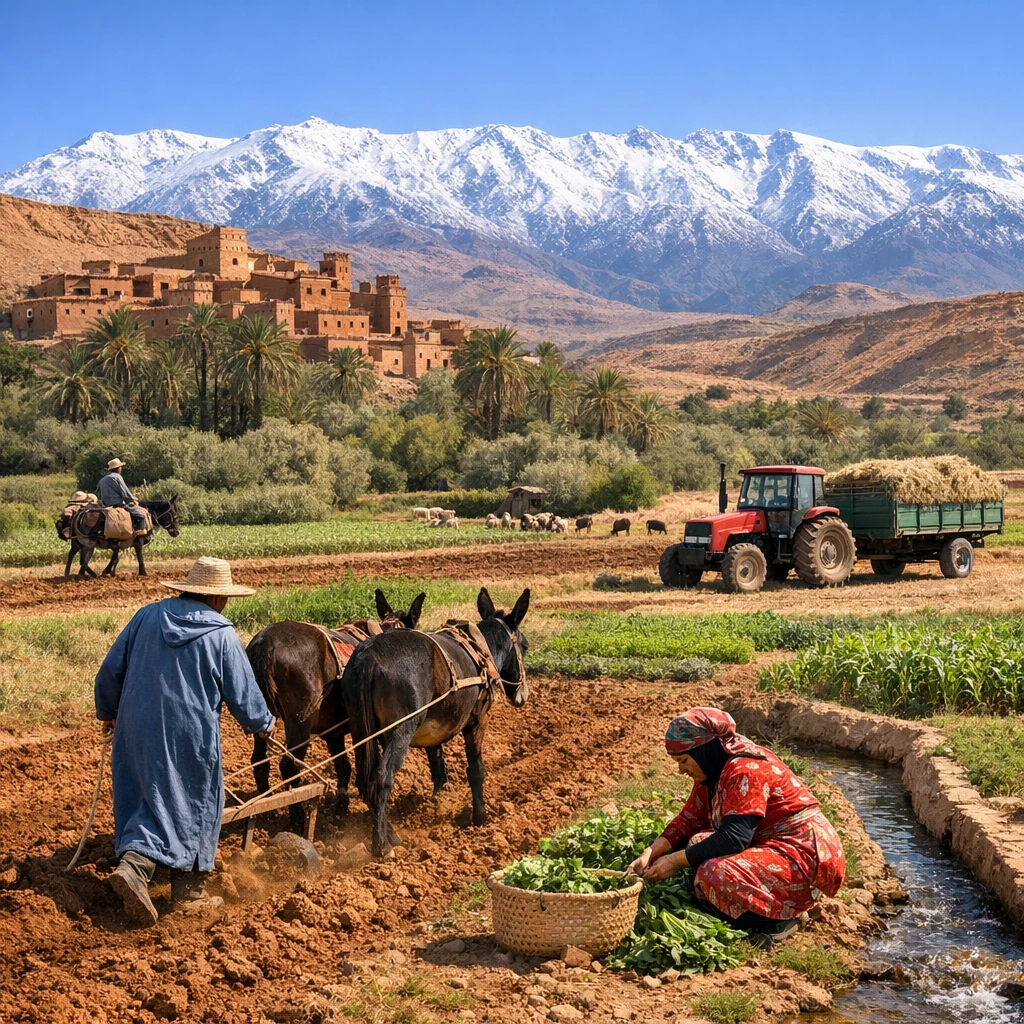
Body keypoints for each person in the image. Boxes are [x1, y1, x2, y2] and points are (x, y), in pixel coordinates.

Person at [95, 556, 275, 926]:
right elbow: (243, 695)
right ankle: (185, 890)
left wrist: (108, 713)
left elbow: (109, 671)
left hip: (135, 725)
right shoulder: (221, 634)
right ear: (218, 598)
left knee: (146, 792)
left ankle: (135, 863)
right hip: (187, 731)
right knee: (197, 799)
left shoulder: (147, 615)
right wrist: (263, 723)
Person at [629, 707, 845, 948]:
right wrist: (651, 852)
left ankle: (781, 918)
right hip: (773, 845)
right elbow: (689, 819)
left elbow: (734, 838)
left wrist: (674, 861)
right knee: (697, 843)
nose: (681, 769)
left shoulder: (745, 769)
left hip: (802, 854)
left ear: (703, 749)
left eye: (683, 760)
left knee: (712, 874)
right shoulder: (712, 768)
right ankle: (772, 907)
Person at [97, 457, 147, 533]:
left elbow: (98, 494)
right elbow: (125, 492)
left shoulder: (102, 480)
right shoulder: (117, 477)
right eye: (120, 467)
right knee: (140, 515)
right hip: (118, 504)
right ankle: (139, 531)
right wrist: (133, 500)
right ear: (118, 468)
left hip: (105, 505)